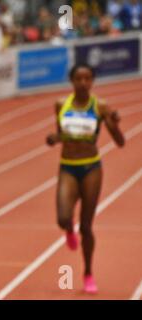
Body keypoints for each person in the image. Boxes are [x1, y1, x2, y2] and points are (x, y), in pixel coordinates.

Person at [46, 63, 125, 294]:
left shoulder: (100, 106)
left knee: (87, 225)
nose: (83, 83)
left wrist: (114, 124)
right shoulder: (61, 104)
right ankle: (69, 230)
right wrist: (55, 138)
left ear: (92, 81)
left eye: (88, 78)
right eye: (79, 79)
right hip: (68, 167)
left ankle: (88, 272)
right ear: (71, 81)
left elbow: (120, 142)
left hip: (91, 168)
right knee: (62, 218)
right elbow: (64, 133)